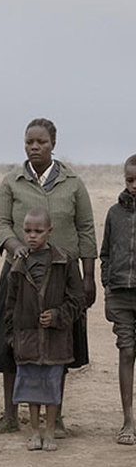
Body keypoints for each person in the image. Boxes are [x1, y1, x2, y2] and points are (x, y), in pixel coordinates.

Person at [0, 117, 97, 436]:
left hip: (63, 277)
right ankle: (9, 415)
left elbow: (86, 229)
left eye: (41, 142)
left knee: (60, 342)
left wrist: (88, 275)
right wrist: (15, 246)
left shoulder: (73, 183)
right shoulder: (12, 181)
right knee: (13, 339)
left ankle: (55, 418)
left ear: (53, 145)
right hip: (19, 274)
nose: (35, 147)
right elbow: (0, 223)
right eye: (29, 141)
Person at [5, 208, 83, 451]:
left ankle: (50, 430)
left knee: (51, 383)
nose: (32, 236)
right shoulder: (18, 265)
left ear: (50, 231)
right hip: (27, 337)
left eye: (38, 231)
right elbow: (10, 304)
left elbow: (77, 299)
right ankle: (34, 432)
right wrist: (12, 337)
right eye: (27, 231)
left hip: (55, 338)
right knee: (30, 384)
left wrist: (58, 316)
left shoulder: (64, 260)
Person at [100, 154, 136, 445]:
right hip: (120, 296)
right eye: (129, 180)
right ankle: (127, 421)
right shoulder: (114, 214)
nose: (134, 185)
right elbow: (106, 254)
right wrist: (107, 286)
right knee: (126, 352)